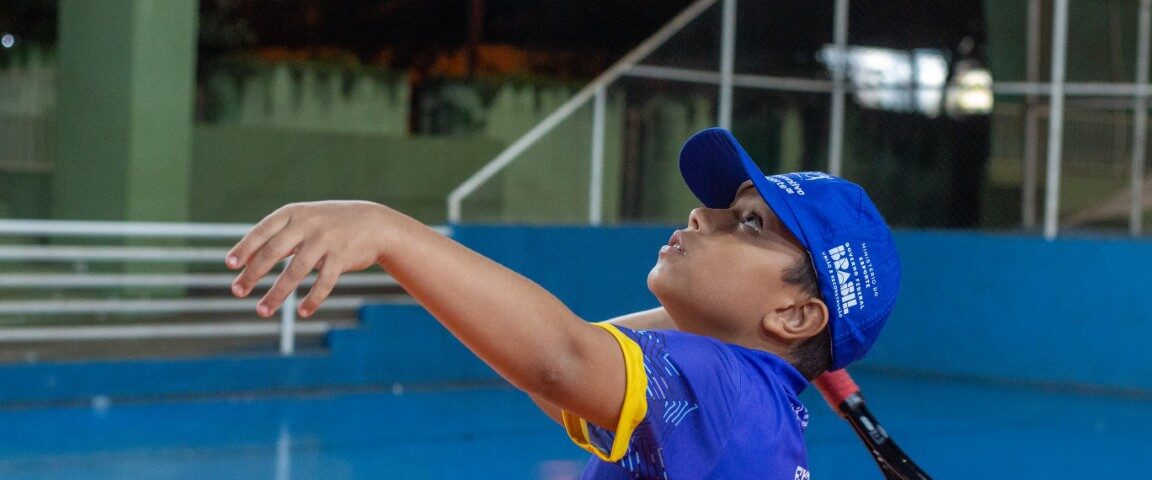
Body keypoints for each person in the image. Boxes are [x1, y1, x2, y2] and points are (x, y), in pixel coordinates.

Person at [227, 127, 900, 479]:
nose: (703, 215)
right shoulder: (742, 402)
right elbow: (562, 377)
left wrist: (389, 232)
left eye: (750, 224)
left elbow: (560, 358)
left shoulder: (724, 389)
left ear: (794, 316)